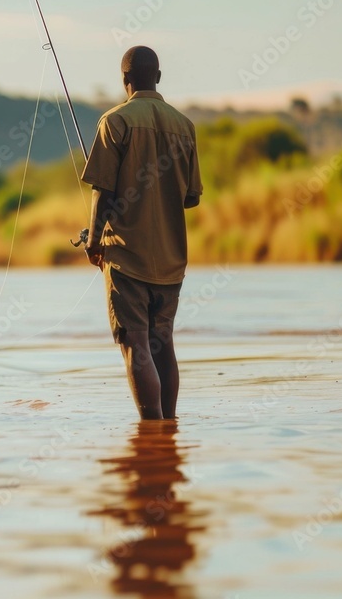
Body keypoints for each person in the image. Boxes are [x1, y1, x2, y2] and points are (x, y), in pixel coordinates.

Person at [80, 46, 202, 420]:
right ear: (159, 78)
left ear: (124, 80)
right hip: (171, 259)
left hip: (127, 257)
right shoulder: (185, 126)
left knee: (135, 343)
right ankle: (169, 429)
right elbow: (191, 199)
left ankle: (153, 432)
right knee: (162, 343)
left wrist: (94, 240)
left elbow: (104, 192)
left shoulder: (114, 121)